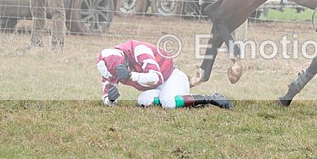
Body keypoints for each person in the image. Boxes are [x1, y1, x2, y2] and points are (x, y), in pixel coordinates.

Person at [96, 40, 233, 109]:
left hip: (173, 78)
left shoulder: (139, 50)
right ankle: (182, 101)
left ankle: (210, 98)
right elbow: (106, 96)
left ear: (123, 60)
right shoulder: (109, 66)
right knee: (142, 100)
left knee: (168, 102)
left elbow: (157, 77)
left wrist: (131, 75)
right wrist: (111, 99)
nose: (116, 77)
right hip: (157, 88)